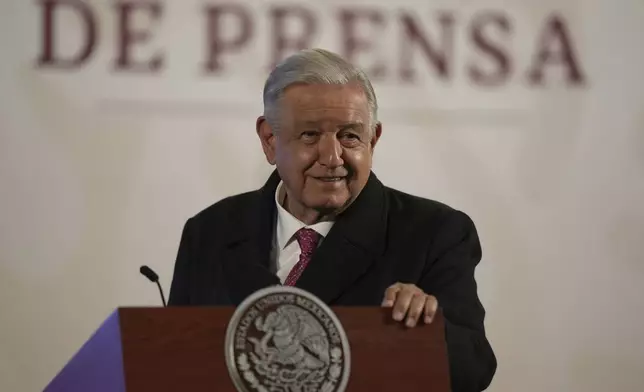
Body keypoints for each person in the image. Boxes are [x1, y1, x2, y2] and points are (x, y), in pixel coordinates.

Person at [168, 48, 496, 391]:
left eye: (349, 135)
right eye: (309, 135)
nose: (332, 157)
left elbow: (473, 370)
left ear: (373, 139)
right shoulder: (211, 231)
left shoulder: (434, 233)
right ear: (269, 140)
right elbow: (171, 363)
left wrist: (424, 329)